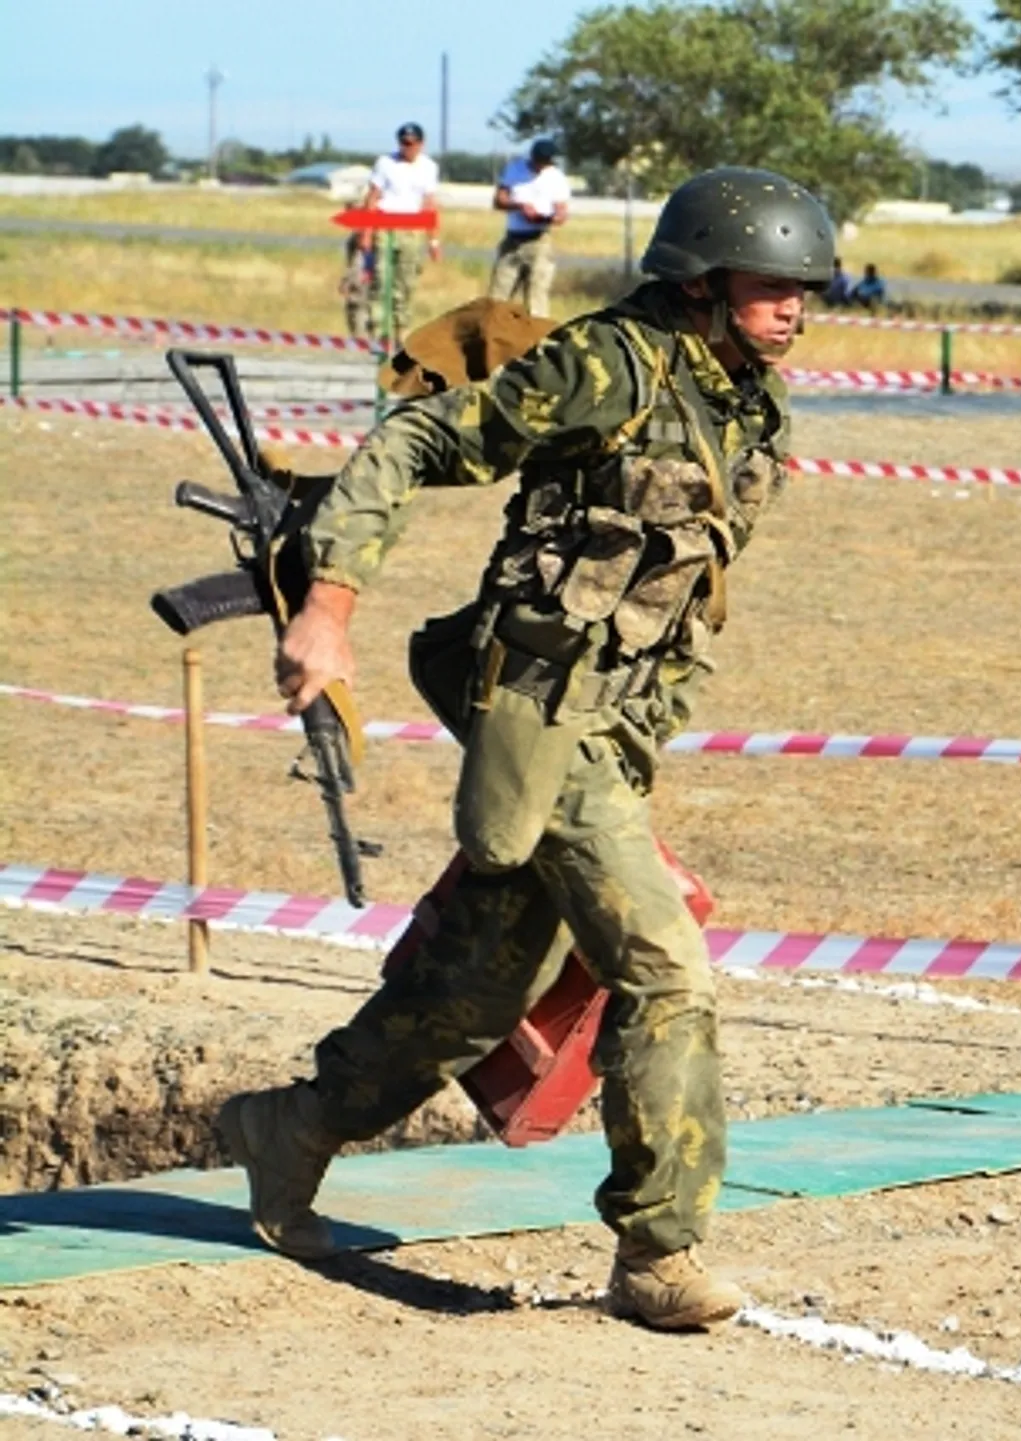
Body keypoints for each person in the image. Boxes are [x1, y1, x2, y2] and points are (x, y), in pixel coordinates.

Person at [213, 166, 834, 1334]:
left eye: (806, 287)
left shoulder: (743, 395)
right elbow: (417, 441)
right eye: (770, 286)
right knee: (665, 970)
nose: (794, 307)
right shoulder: (604, 367)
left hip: (611, 724)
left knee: (473, 995)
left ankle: (288, 1131)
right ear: (700, 285)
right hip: (539, 716)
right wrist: (328, 606)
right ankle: (658, 1252)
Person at [359, 122, 442, 345]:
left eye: (412, 144)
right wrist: (366, 233)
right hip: (385, 226)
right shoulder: (385, 163)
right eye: (403, 143)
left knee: (405, 284)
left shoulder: (428, 167)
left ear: (421, 144)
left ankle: (401, 331)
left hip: (412, 229)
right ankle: (377, 331)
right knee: (380, 278)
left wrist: (433, 239)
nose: (407, 148)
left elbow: (429, 204)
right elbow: (372, 198)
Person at [487, 138, 571, 318]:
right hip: (513, 240)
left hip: (539, 240)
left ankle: (537, 340)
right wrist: (519, 206)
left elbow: (562, 210)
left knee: (537, 298)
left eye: (547, 161)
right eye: (540, 160)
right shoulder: (515, 169)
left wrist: (556, 217)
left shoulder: (556, 177)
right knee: (498, 296)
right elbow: (498, 200)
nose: (543, 165)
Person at [338, 232, 377, 342]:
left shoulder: (374, 253)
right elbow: (350, 269)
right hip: (354, 300)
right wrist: (345, 283)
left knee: (362, 333)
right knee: (355, 328)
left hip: (364, 302)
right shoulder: (353, 246)